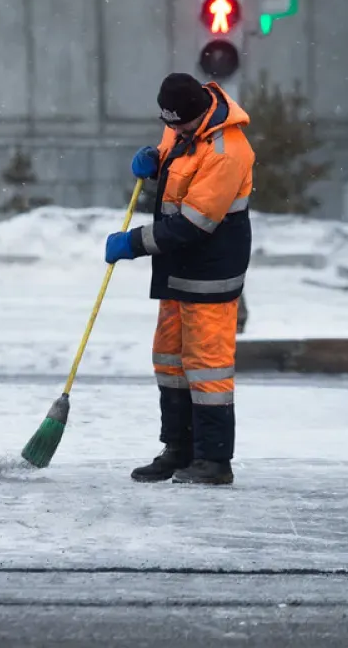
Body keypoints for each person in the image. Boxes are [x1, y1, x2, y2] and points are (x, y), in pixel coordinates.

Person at [103, 72, 255, 486]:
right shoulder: (182, 125)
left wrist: (132, 243)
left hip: (210, 268)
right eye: (168, 124)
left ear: (199, 114)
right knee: (169, 360)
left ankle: (213, 460)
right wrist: (157, 162)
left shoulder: (227, 151)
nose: (173, 131)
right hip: (176, 266)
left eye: (179, 125)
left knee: (207, 367)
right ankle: (179, 448)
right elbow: (178, 166)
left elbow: (192, 224)